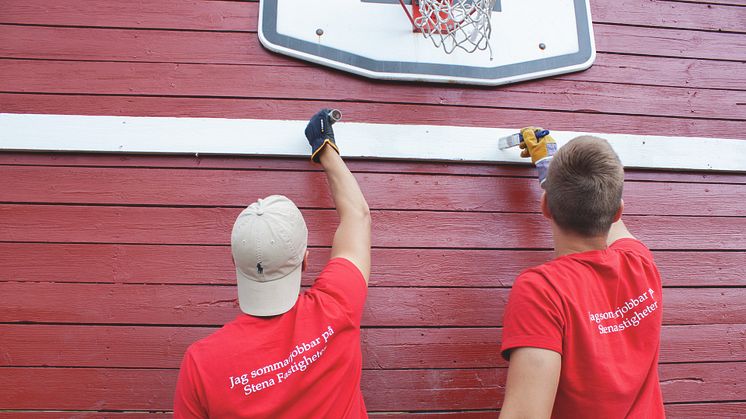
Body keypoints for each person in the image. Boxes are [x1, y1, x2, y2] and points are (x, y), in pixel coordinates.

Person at [174, 109, 372, 418]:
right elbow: (357, 215)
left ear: (234, 262)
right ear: (305, 262)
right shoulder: (337, 307)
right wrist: (324, 146)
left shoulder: (201, 363)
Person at [499, 129, 665, 418]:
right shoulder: (640, 264)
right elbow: (607, 210)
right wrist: (554, 172)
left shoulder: (542, 290)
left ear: (545, 206)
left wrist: (551, 174)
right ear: (618, 211)